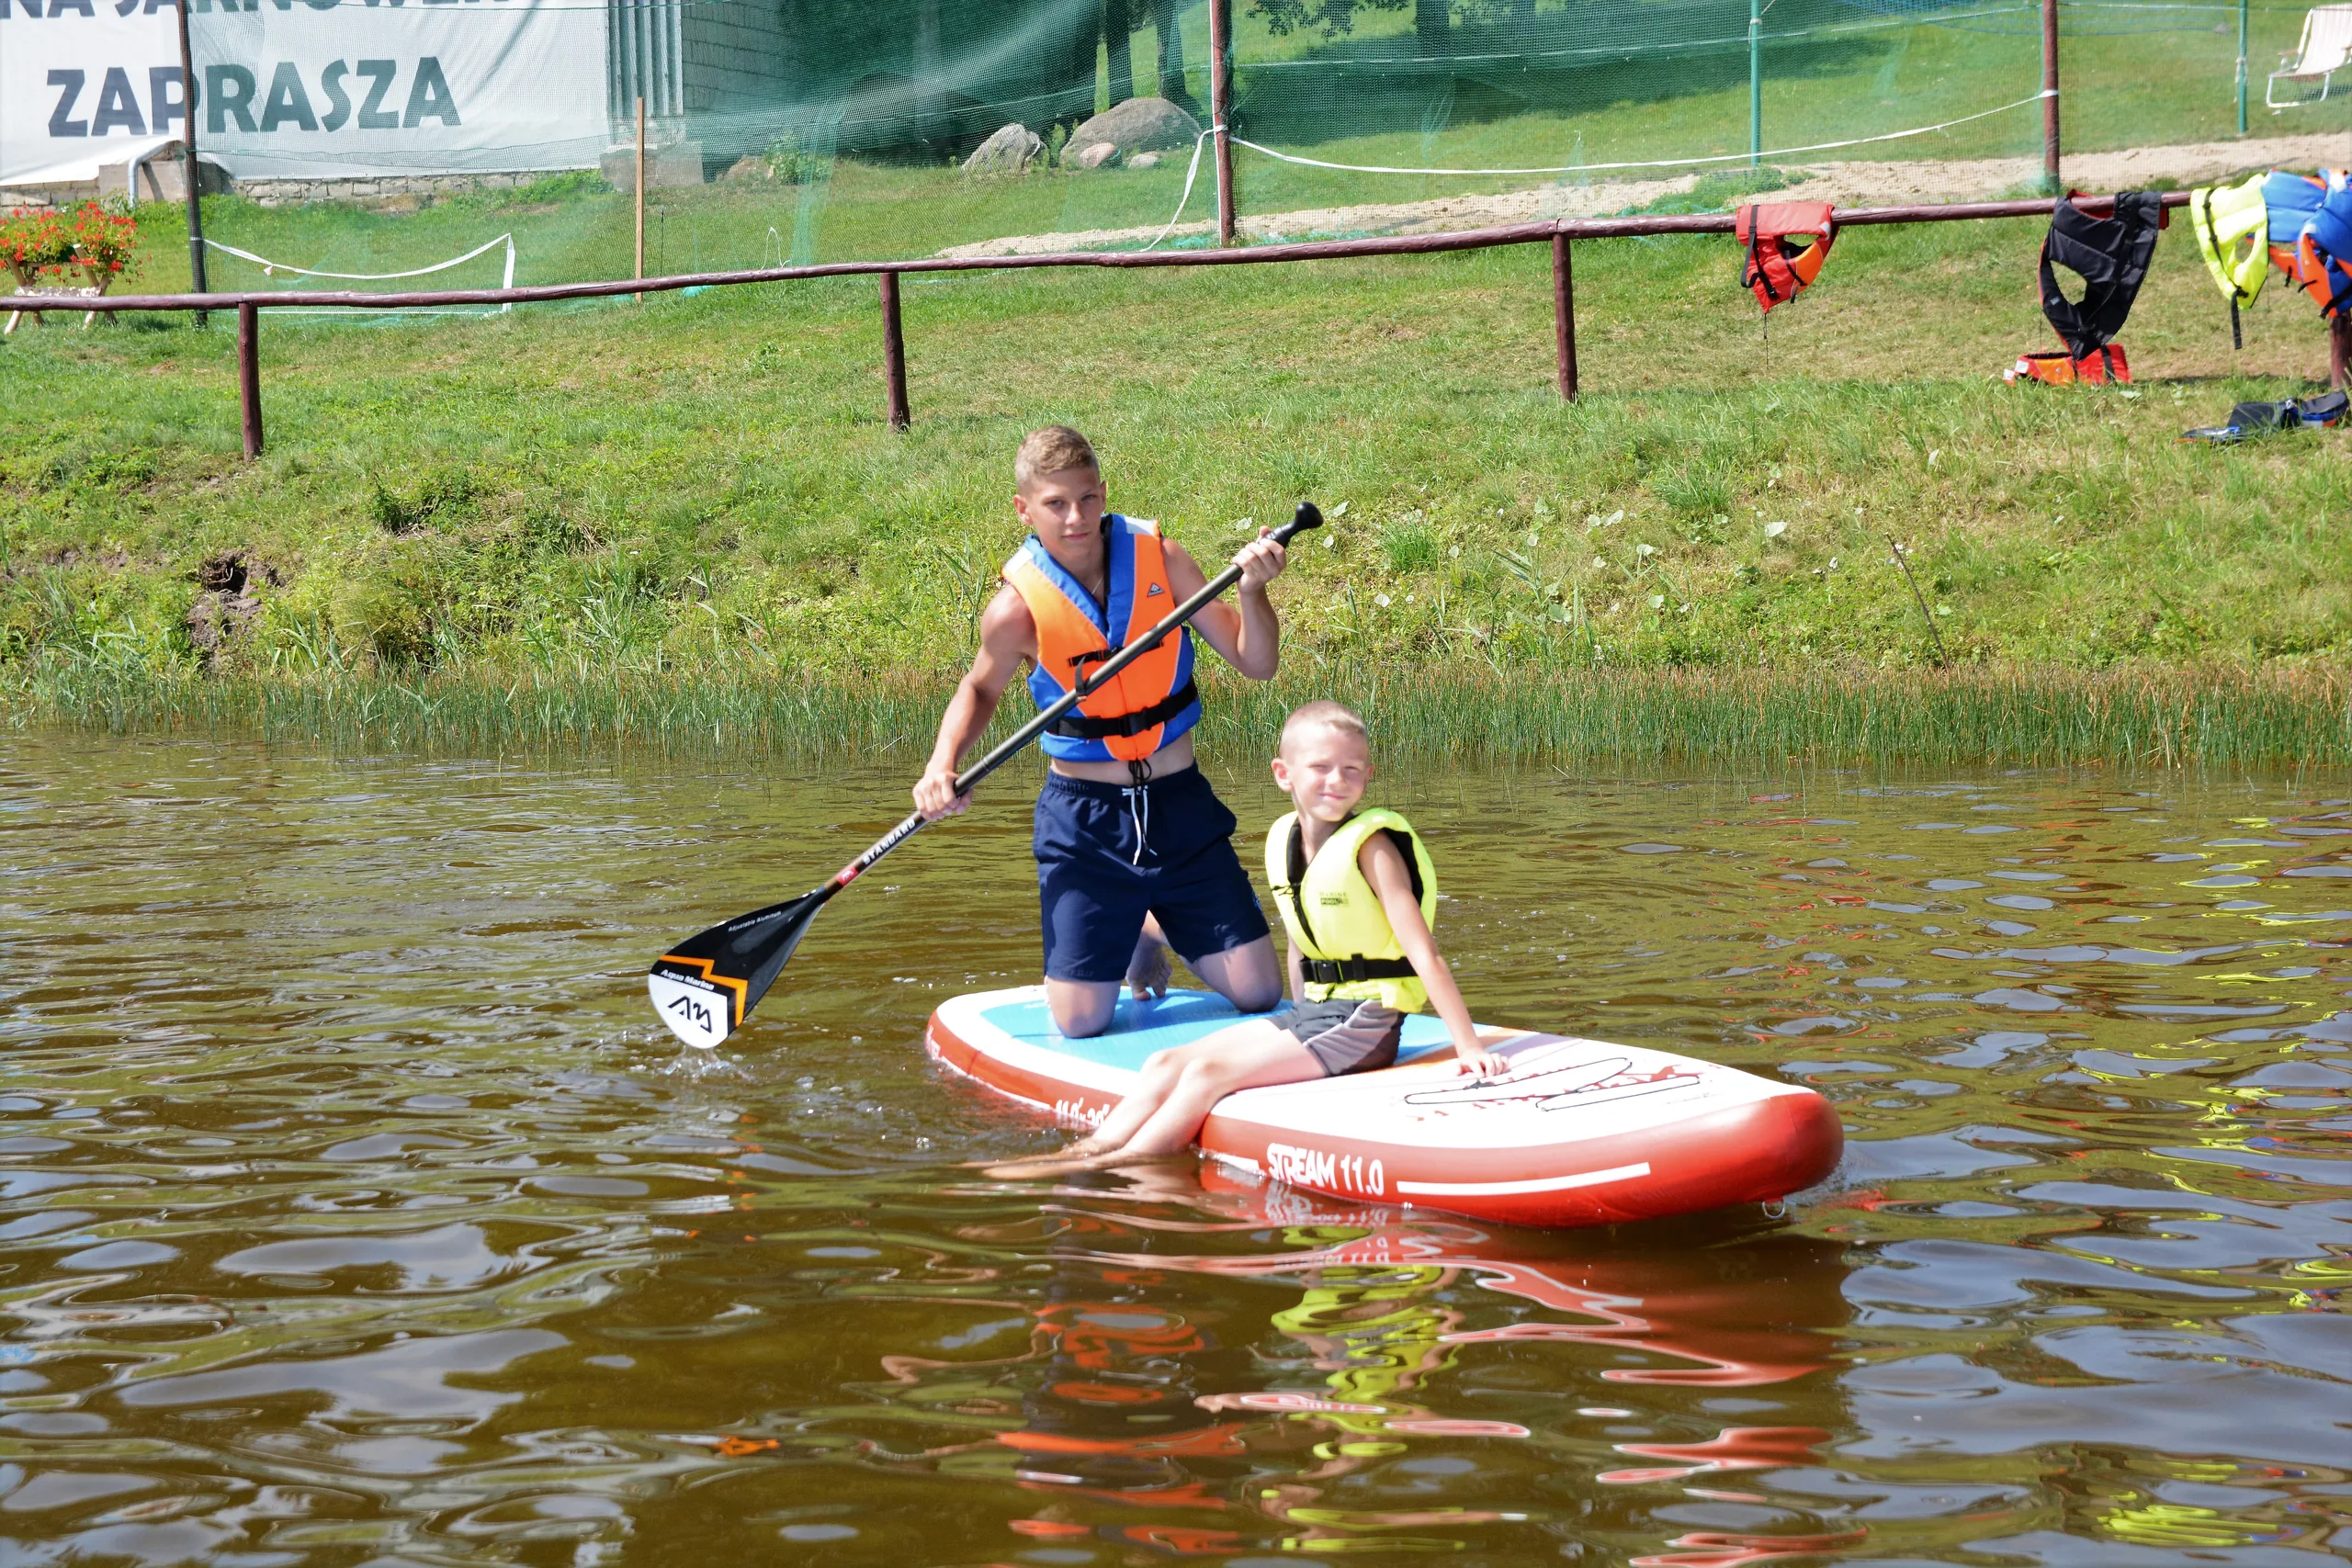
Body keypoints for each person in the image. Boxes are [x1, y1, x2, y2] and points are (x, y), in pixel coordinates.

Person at [987, 700, 1505, 1178]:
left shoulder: (1374, 849)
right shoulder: (1286, 840)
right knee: (1166, 1063)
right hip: (1321, 1016)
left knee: (1206, 1075)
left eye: (1351, 770)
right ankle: (1087, 1150)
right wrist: (1294, 1024)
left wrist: (1468, 1046)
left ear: (1368, 776)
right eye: (1320, 767)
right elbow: (1304, 939)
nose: (1336, 781)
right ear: (1284, 774)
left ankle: (1120, 1165)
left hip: (1367, 1022)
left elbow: (1424, 952)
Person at [913, 425, 1287, 1039]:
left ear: (1104, 493)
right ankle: (1136, 923)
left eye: (1087, 498)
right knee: (1081, 1023)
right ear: (1024, 508)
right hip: (1084, 822)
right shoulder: (1015, 609)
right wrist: (942, 763)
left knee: (1259, 991)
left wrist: (1253, 592)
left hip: (1179, 803)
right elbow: (979, 688)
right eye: (1056, 503)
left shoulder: (1162, 561)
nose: (1076, 517)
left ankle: (1150, 918)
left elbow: (1258, 662)